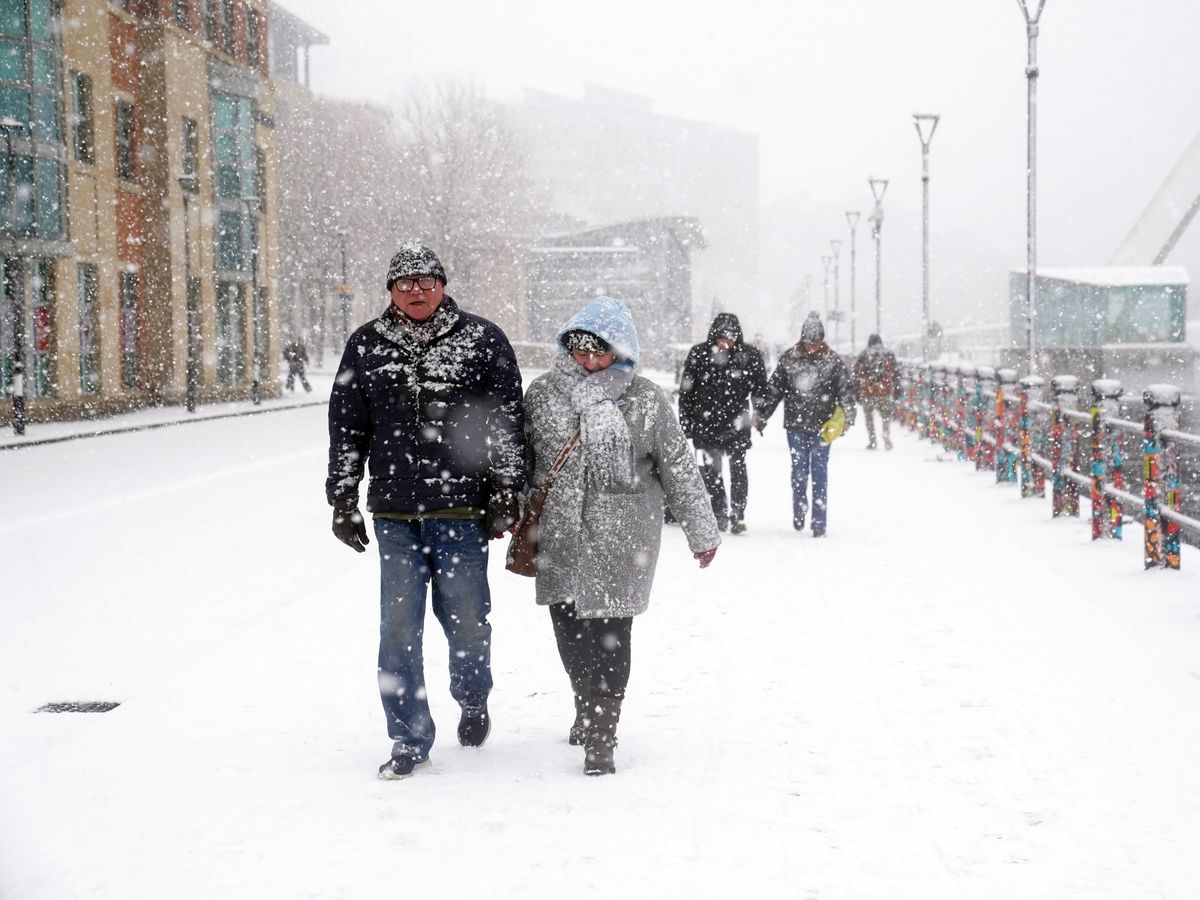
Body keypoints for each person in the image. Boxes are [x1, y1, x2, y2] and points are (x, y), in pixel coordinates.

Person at [326, 240, 525, 781]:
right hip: (395, 514)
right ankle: (409, 738)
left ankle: (472, 696)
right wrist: (343, 496)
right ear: (390, 290)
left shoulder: (482, 340)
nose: (417, 290)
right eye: (405, 282)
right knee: (398, 630)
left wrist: (507, 488)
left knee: (467, 628)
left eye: (426, 281)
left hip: (461, 511)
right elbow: (348, 426)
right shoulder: (366, 345)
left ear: (443, 284)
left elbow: (505, 419)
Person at [521, 296, 720, 776]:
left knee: (611, 635)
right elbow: (523, 462)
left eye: (601, 353)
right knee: (569, 634)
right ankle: (583, 699)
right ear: (567, 347)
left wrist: (701, 530)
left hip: (622, 540)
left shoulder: (646, 399)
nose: (590, 363)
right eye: (581, 351)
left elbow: (677, 468)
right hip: (560, 538)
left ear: (621, 350)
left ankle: (601, 733)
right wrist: (507, 510)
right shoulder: (544, 395)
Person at [759, 312, 856, 537]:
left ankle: (819, 522)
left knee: (820, 473)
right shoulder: (789, 359)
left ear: (821, 340)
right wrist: (763, 414)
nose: (812, 347)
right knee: (799, 472)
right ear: (802, 339)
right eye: (808, 342)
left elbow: (845, 390)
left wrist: (849, 417)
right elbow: (774, 389)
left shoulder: (832, 361)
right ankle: (800, 509)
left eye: (816, 342)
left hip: (823, 427)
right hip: (795, 425)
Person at [678, 313, 769, 534]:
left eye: (730, 339)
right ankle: (719, 512)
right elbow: (686, 391)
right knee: (711, 472)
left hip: (737, 421)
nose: (726, 344)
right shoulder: (699, 354)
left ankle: (738, 513)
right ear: (713, 337)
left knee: (738, 468)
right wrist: (686, 421)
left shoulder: (749, 355)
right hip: (706, 422)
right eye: (721, 339)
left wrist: (759, 414)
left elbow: (760, 389)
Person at [854, 333, 900, 450]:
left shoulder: (863, 355)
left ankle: (872, 440)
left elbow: (856, 375)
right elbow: (895, 374)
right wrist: (897, 389)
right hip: (884, 391)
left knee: (869, 418)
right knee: (886, 416)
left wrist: (857, 392)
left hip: (867, 391)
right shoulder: (888, 354)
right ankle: (886, 436)